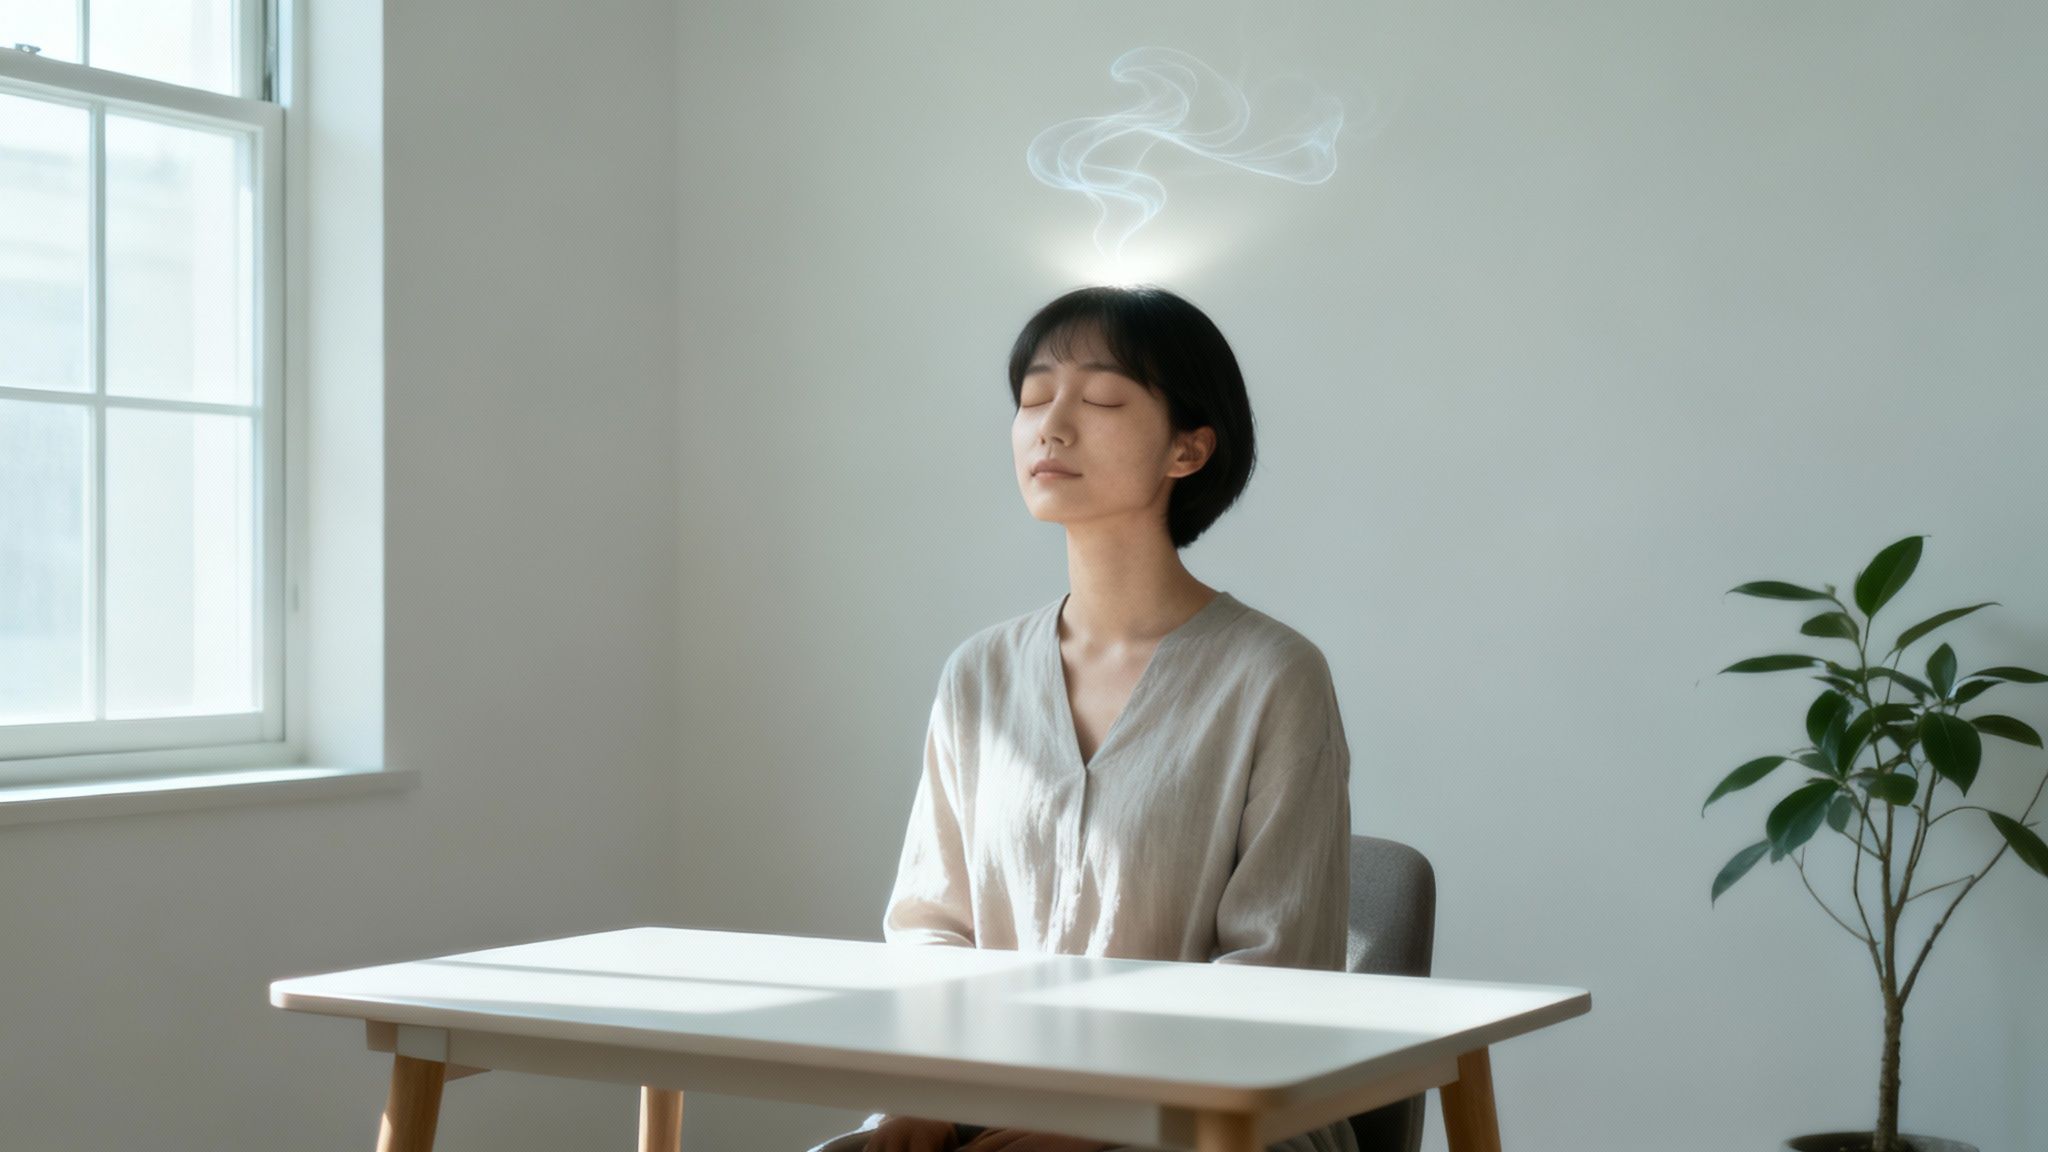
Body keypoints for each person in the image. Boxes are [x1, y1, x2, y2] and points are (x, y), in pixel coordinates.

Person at [809, 285, 1356, 1152]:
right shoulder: (980, 674)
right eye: (1033, 397)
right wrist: (920, 1096)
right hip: (988, 1100)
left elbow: (1275, 981)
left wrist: (1106, 1126)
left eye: (1101, 398)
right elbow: (930, 929)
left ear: (1187, 448)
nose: (1050, 427)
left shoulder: (1272, 676)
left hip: (1215, 1119)